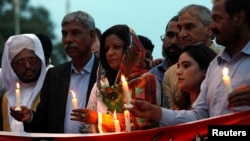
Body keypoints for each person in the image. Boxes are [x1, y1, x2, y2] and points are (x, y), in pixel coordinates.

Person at [129, 0, 250, 126]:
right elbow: (199, 116)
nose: (212, 26)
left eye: (217, 19)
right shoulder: (215, 65)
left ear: (239, 19)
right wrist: (156, 112)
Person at [10, 10, 99, 133]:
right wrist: (30, 117)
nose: (68, 39)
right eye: (64, 34)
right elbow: (45, 122)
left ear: (92, 36)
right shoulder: (54, 75)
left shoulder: (106, 72)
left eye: (75, 33)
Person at [70, 24, 164, 133]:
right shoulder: (101, 85)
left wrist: (99, 118)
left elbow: (144, 122)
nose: (110, 53)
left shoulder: (146, 81)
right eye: (106, 49)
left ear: (131, 49)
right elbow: (87, 126)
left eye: (116, 47)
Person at [163, 4, 224, 109]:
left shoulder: (228, 58)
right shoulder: (171, 74)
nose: (182, 34)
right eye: (180, 28)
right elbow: (175, 117)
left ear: (210, 29)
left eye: (189, 27)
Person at [0, 34, 47, 132]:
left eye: (32, 60)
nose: (28, 65)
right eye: (21, 62)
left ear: (40, 60)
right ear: (12, 67)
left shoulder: (51, 91)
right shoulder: (6, 97)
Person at [174, 43, 216, 110]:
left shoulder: (214, 107)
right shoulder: (179, 107)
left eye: (186, 66)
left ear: (205, 70)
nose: (178, 71)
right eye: (178, 66)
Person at [149, 15, 180, 84]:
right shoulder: (152, 75)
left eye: (179, 36)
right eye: (170, 35)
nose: (173, 42)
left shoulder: (200, 74)